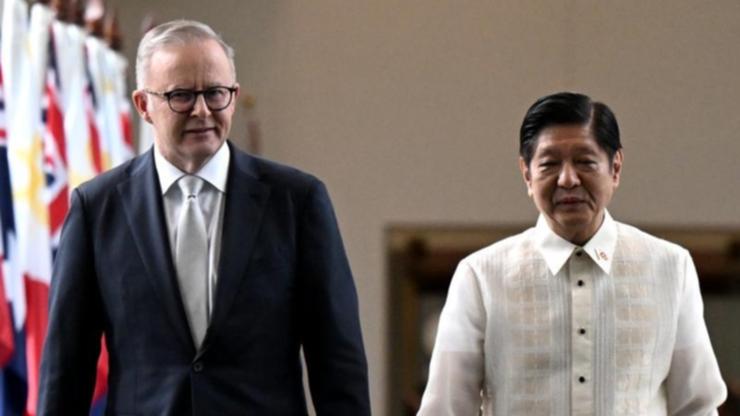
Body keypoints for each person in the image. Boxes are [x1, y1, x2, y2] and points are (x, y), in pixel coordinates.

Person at [38, 19, 370, 415]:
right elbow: (67, 369)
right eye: (181, 95)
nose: (201, 110)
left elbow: (338, 362)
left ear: (234, 94)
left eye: (215, 93)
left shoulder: (297, 202)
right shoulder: (97, 208)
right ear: (144, 105)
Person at [417, 92, 727, 415]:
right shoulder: (480, 277)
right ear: (527, 173)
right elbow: (446, 409)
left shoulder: (670, 269)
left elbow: (698, 407)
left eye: (585, 162)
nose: (567, 179)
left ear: (615, 167)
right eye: (550, 164)